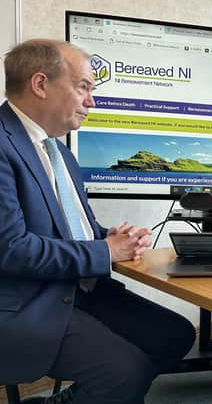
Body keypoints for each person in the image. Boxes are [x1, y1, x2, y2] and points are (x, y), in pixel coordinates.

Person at [0, 39, 195, 403]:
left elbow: (67, 229)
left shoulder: (58, 151)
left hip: (79, 290)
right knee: (125, 372)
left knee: (176, 336)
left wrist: (108, 236)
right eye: (84, 87)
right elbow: (11, 249)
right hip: (27, 303)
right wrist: (103, 251)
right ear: (40, 85)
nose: (92, 101)